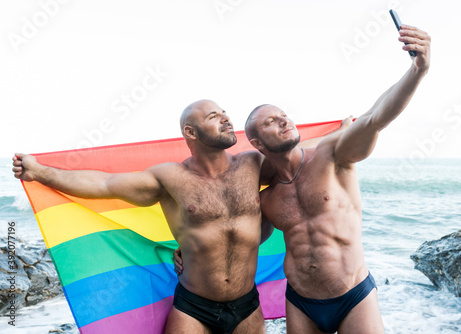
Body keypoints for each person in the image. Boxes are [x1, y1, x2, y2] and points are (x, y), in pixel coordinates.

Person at [12, 99, 351, 334]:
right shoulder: (169, 178)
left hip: (247, 305)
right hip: (194, 307)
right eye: (213, 117)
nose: (226, 119)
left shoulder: (253, 165)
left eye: (225, 113)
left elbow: (305, 151)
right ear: (191, 132)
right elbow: (104, 183)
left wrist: (346, 131)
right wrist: (41, 173)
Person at [243, 25, 431, 333]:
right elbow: (243, 238)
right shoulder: (267, 197)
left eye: (283, 115)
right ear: (257, 143)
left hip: (353, 295)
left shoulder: (331, 154)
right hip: (301, 301)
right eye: (270, 121)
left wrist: (418, 70)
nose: (283, 119)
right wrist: (188, 248)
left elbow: (375, 117)